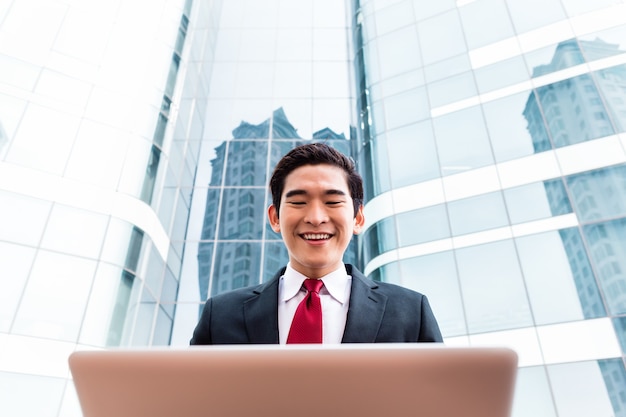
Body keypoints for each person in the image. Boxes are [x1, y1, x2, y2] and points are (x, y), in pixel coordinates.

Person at [190, 142, 442, 344]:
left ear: (358, 218)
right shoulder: (220, 316)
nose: (316, 218)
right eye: (298, 202)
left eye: (332, 202)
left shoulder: (411, 312)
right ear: (275, 218)